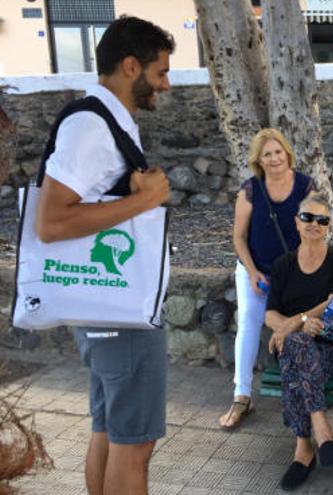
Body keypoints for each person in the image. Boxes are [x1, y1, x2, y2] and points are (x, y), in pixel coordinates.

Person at [34, 16, 174, 495]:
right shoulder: (93, 125)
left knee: (111, 433)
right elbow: (51, 222)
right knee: (134, 445)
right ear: (131, 66)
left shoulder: (104, 122)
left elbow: (90, 199)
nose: (166, 83)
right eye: (160, 72)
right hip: (123, 318)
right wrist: (144, 200)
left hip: (104, 307)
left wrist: (130, 191)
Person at [219, 128, 315, 430]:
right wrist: (251, 271)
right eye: (267, 154)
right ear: (258, 160)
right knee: (248, 323)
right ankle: (241, 395)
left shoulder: (304, 186)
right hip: (256, 269)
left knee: (301, 325)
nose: (274, 159)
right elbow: (238, 236)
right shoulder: (250, 190)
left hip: (294, 271)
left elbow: (315, 231)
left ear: (287, 153)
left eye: (278, 152)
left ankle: (309, 392)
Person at [263, 193, 333, 490]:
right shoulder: (283, 264)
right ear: (296, 222)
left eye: (322, 220)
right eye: (307, 217)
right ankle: (319, 424)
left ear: (329, 226)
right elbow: (270, 315)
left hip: (328, 349)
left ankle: (304, 448)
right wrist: (297, 326)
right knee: (297, 345)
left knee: (295, 347)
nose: (314, 224)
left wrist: (294, 322)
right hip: (294, 346)